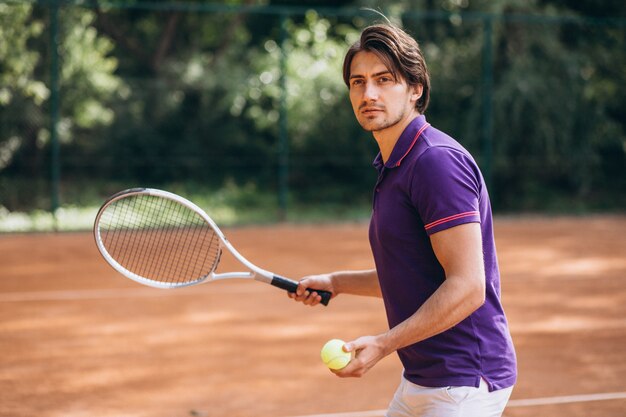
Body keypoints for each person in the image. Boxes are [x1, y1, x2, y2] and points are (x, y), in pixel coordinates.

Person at [288, 23, 517, 417]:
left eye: (383, 80)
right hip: (424, 379)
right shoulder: (396, 164)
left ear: (416, 89)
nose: (368, 93)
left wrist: (383, 343)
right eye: (358, 82)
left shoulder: (434, 163)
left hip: (464, 382)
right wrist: (337, 283)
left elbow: (467, 286)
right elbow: (415, 274)